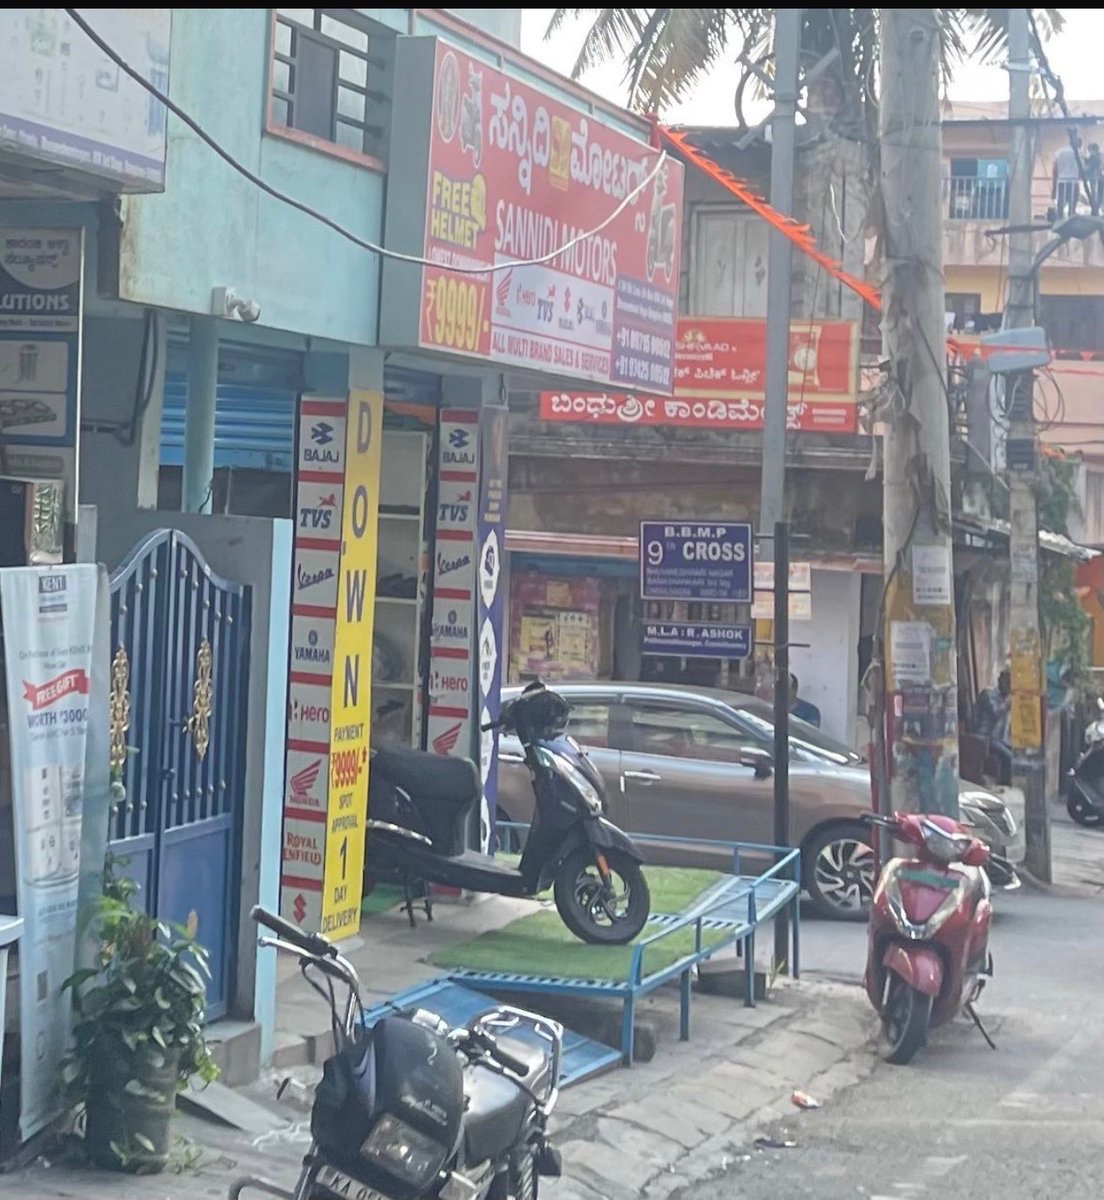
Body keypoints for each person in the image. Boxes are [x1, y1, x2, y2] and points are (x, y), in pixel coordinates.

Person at [974, 667, 1012, 785]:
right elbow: (996, 712)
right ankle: (1003, 785)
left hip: (997, 740)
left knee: (1014, 754)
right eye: (1008, 682)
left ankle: (1004, 783)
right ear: (1000, 681)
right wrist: (1007, 703)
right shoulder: (988, 695)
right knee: (1009, 758)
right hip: (984, 737)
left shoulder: (1004, 698)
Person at [1053, 134, 1081, 218]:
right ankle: (1071, 217)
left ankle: (1059, 218)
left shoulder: (1060, 152)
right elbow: (1082, 168)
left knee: (1061, 202)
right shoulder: (1079, 153)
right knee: (1073, 201)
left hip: (1061, 180)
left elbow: (1055, 167)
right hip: (1074, 180)